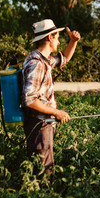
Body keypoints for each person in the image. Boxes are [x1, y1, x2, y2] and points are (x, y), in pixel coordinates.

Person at [21, 18, 80, 180]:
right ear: (49, 38)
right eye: (58, 37)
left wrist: (73, 42)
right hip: (39, 125)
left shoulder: (44, 60)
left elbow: (64, 59)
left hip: (42, 124)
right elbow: (30, 100)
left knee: (43, 168)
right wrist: (57, 112)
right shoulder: (37, 64)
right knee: (43, 173)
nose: (59, 42)